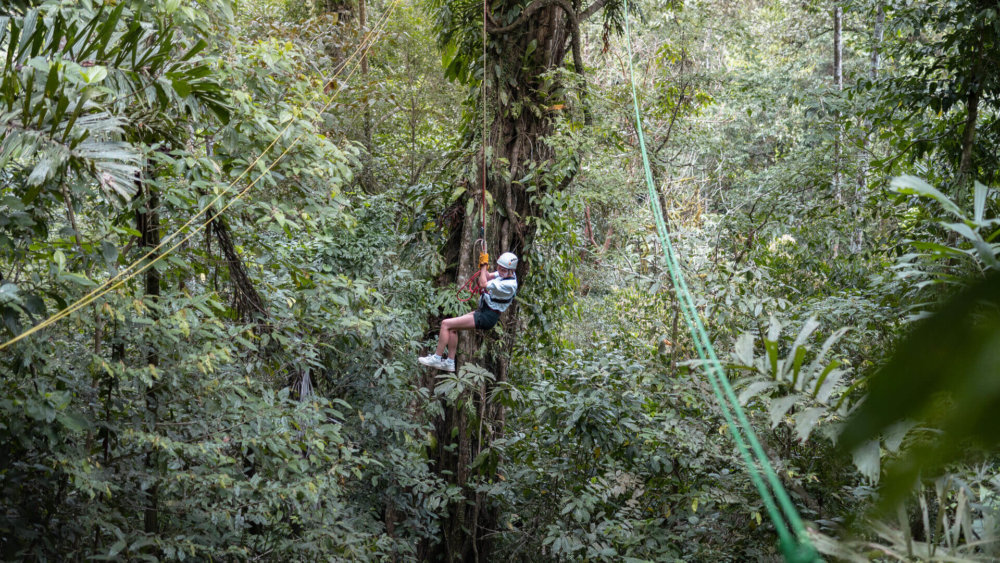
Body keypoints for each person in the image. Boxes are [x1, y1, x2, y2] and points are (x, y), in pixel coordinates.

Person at [418, 252, 518, 372]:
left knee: (445, 324)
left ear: (511, 270)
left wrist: (484, 267)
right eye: (499, 268)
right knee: (452, 328)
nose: (500, 271)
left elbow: (482, 284)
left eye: (503, 270)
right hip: (484, 311)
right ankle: (450, 362)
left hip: (488, 316)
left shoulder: (509, 284)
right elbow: (486, 275)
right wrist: (483, 263)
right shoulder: (504, 275)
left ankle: (436, 358)